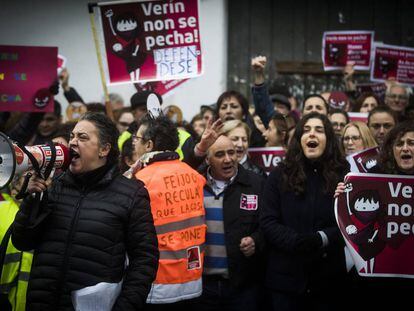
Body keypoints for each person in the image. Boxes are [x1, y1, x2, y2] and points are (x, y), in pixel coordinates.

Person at [11, 112, 159, 310]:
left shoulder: (131, 194)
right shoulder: (54, 187)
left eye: (82, 137)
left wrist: (125, 306)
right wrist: (31, 199)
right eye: (72, 136)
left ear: (104, 149)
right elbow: (22, 241)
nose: (72, 142)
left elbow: (145, 260)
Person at [260, 112, 350, 311]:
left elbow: (351, 222)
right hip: (286, 281)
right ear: (299, 139)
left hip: (328, 281)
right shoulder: (278, 174)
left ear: (328, 139)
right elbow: (268, 220)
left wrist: (322, 238)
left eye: (319, 130)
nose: (312, 135)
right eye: (306, 130)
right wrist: (295, 241)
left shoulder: (344, 174)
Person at [129, 115, 206, 309]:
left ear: (149, 145)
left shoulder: (140, 180)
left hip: (157, 283)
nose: (133, 143)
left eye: (137, 139)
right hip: (193, 278)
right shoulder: (193, 174)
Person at [335, 121, 414, 309]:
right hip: (379, 280)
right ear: (391, 149)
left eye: (411, 143)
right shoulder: (373, 179)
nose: (405, 148)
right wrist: (343, 196)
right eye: (399, 143)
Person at [194, 135, 266, 311]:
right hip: (203, 287)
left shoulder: (256, 184)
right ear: (207, 159)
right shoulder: (194, 185)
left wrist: (257, 240)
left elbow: (270, 224)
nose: (228, 159)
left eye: (231, 153)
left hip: (243, 287)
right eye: (219, 154)